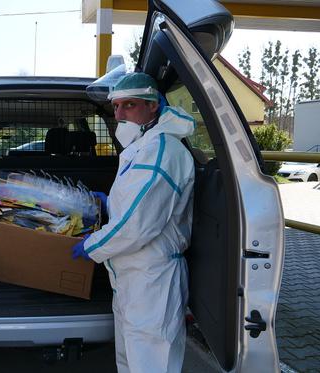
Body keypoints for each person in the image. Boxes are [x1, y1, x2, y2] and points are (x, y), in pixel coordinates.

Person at [72, 72, 195, 373]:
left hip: (152, 279)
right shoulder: (144, 145)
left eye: (129, 105)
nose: (119, 114)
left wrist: (93, 245)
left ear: (153, 106)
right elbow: (137, 202)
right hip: (133, 275)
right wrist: (109, 201)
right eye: (116, 106)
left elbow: (138, 224)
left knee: (152, 362)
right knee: (130, 359)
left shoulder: (161, 151)